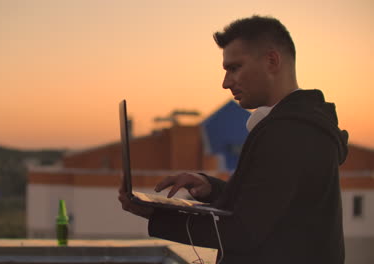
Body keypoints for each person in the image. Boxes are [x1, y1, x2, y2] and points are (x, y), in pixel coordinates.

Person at [118, 15, 348, 264]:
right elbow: (267, 206)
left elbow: (243, 232)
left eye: (235, 68)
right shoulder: (298, 125)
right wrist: (210, 187)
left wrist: (155, 215)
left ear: (272, 61)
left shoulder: (289, 132)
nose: (226, 82)